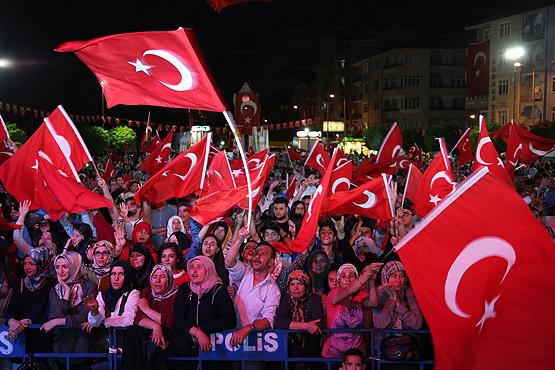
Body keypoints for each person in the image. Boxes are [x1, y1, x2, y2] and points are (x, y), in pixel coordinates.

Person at [172, 256, 236, 368]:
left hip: (215, 347)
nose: (194, 271)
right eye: (191, 267)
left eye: (199, 267)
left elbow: (229, 320)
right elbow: (178, 319)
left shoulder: (219, 290)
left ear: (208, 269)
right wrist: (197, 333)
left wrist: (203, 329)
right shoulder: (185, 289)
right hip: (187, 347)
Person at [225, 228, 281, 351]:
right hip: (231, 337)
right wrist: (239, 239)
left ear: (271, 262)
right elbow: (229, 262)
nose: (257, 257)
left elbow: (268, 320)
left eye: (263, 254)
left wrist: (247, 328)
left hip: (254, 343)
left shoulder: (273, 289)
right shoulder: (245, 272)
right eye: (256, 253)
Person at [42, 252, 97, 360]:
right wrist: (67, 291)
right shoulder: (56, 290)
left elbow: (85, 318)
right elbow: (54, 315)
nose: (60, 271)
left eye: (65, 266)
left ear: (74, 266)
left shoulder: (89, 286)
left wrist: (57, 322)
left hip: (83, 347)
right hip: (61, 348)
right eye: (57, 267)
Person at [125, 264, 180, 370]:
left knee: (156, 341)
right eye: (154, 277)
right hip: (150, 334)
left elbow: (170, 321)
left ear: (169, 278)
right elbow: (138, 318)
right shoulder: (147, 292)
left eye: (162, 277)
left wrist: (147, 309)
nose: (157, 281)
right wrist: (155, 326)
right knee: (134, 331)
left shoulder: (178, 294)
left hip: (170, 336)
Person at [322, 263, 382, 359]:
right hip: (334, 355)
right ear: (338, 281)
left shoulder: (360, 295)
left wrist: (371, 281)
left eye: (351, 276)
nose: (348, 279)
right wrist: (367, 273)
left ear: (356, 278)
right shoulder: (333, 294)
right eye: (343, 276)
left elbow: (374, 303)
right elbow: (349, 290)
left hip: (356, 355)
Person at [5, 247, 56, 352]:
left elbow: (50, 313)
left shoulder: (52, 284)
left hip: (42, 338)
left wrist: (29, 321)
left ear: (41, 264)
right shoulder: (20, 283)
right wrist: (11, 321)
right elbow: (10, 310)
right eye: (25, 263)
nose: (27, 267)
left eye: (31, 264)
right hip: (21, 337)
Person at [370, 261, 422, 361]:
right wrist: (390, 301)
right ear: (386, 278)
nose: (398, 280)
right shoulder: (379, 292)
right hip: (385, 348)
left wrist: (398, 304)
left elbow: (417, 324)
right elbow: (380, 323)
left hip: (408, 349)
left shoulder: (409, 292)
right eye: (394, 276)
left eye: (401, 276)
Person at [275, 270, 325, 370]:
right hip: (290, 349)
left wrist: (292, 326)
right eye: (292, 284)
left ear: (306, 285)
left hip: (311, 349)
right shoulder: (286, 299)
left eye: (300, 284)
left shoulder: (315, 299)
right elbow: (280, 322)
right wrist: (306, 326)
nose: (295, 288)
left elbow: (317, 325)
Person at [85, 260, 139, 329]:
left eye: (121, 274)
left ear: (127, 276)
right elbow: (95, 322)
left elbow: (128, 320)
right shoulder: (102, 294)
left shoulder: (133, 293)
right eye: (113, 274)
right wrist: (94, 311)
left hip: (124, 337)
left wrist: (103, 322)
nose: (116, 278)